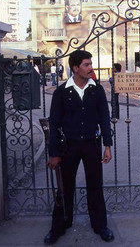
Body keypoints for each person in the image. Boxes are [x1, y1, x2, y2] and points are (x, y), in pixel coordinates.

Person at [45, 50, 115, 244]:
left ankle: (100, 225)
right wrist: (54, 153)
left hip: (92, 145)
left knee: (95, 186)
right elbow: (54, 124)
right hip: (69, 147)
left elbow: (104, 120)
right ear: (75, 68)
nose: (90, 68)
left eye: (90, 64)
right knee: (64, 187)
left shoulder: (97, 90)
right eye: (86, 64)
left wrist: (107, 146)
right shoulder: (61, 92)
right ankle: (59, 226)